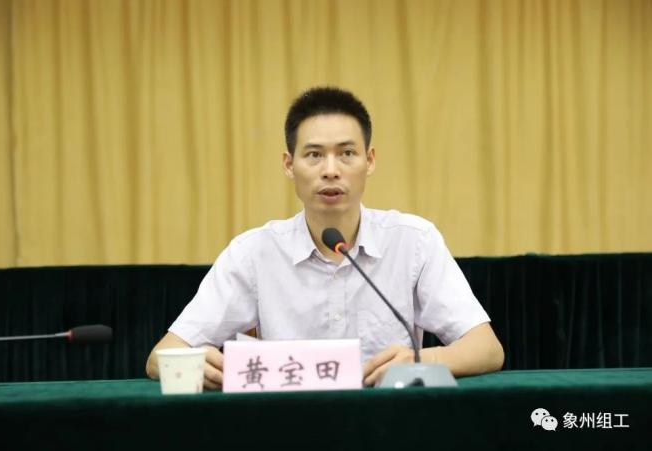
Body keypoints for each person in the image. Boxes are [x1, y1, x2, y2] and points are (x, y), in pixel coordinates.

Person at [146, 86, 504, 389]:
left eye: (347, 153)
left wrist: (422, 359)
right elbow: (160, 356)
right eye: (314, 155)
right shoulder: (254, 253)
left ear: (370, 160)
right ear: (289, 165)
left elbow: (487, 349)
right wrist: (197, 364)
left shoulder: (414, 242)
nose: (331, 170)